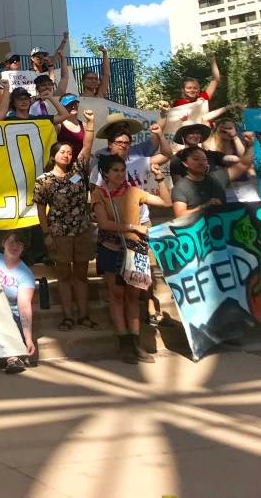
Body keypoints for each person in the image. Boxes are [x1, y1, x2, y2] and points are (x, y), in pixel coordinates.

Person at [91, 153, 173, 364]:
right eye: (115, 171)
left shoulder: (134, 191)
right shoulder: (100, 194)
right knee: (117, 296)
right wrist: (133, 227)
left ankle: (136, 343)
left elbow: (165, 202)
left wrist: (159, 178)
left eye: (122, 170)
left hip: (135, 250)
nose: (120, 174)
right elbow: (104, 223)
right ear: (105, 174)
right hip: (111, 248)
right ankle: (124, 343)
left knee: (133, 297)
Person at [34, 110, 97, 331]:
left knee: (81, 276)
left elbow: (87, 147)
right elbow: (41, 211)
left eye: (69, 152)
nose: (67, 155)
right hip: (59, 233)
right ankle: (68, 316)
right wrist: (46, 234)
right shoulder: (44, 180)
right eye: (62, 152)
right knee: (64, 276)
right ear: (54, 155)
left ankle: (84, 315)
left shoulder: (78, 172)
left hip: (82, 230)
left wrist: (90, 123)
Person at [90, 113, 172, 194]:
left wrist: (162, 122)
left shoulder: (139, 157)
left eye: (125, 126)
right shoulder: (99, 157)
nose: (123, 145)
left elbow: (165, 153)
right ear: (110, 143)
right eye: (118, 142)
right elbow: (94, 188)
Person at [171, 141, 255, 216]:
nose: (201, 162)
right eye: (195, 159)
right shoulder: (180, 187)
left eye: (204, 159)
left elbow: (244, 165)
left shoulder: (218, 177)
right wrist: (203, 207)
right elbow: (180, 215)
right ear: (185, 163)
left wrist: (249, 146)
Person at [0, 231, 36, 374]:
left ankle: (12, 359)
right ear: (3, 242)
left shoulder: (25, 274)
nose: (15, 246)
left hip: (10, 316)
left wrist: (28, 338)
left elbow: (24, 307)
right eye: (12, 242)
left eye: (20, 244)